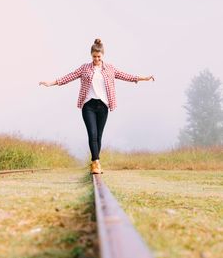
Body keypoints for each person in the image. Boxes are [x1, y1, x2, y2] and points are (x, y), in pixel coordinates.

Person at [39, 38, 155, 174]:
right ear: (91, 55)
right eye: (94, 56)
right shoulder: (85, 68)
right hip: (88, 105)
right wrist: (51, 83)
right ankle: (96, 162)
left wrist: (144, 78)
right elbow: (69, 77)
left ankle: (95, 162)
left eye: (99, 56)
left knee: (99, 136)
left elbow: (126, 76)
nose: (96, 59)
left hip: (103, 106)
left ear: (103, 55)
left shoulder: (110, 68)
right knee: (92, 134)